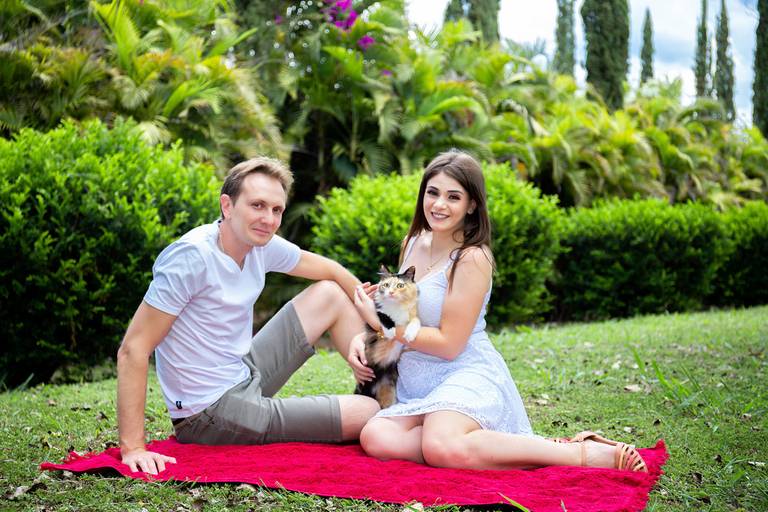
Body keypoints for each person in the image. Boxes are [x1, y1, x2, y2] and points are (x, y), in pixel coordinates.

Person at [347, 150, 648, 472]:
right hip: (416, 377)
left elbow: (450, 345)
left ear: (471, 204)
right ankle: (481, 444)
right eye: (432, 193)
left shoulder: (472, 258)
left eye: (453, 197)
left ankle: (581, 453)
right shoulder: (412, 242)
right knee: (377, 437)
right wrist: (363, 336)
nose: (439, 204)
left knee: (439, 445)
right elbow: (403, 314)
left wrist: (383, 325)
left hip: (463, 370)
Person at [117, 157, 380, 475]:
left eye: (276, 210)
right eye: (257, 205)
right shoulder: (191, 258)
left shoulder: (260, 244)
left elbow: (332, 270)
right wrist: (134, 447)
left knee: (330, 294)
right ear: (227, 206)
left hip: (242, 371)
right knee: (367, 411)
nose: (268, 219)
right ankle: (387, 408)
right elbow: (134, 348)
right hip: (208, 413)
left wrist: (372, 325)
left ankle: (384, 384)